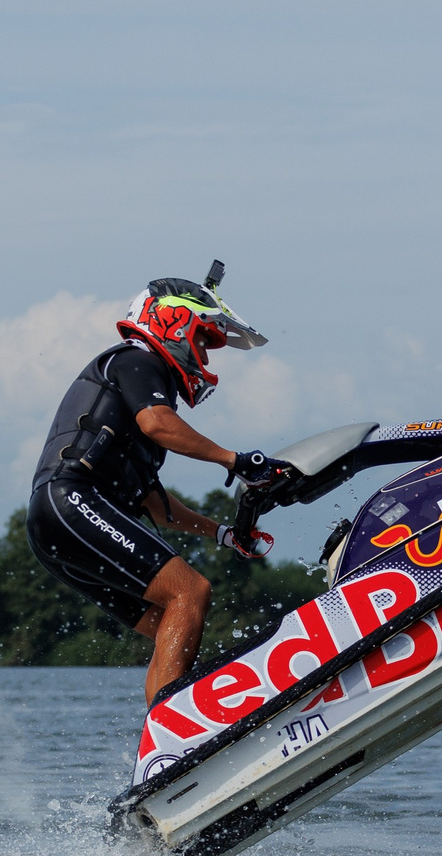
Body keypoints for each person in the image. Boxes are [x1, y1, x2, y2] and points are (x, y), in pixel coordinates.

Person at [26, 268, 296, 705]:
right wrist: (236, 460)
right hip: (72, 502)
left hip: (58, 522)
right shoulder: (137, 361)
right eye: (206, 342)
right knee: (190, 592)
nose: (206, 361)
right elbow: (157, 424)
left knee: (169, 621)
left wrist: (225, 534)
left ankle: (159, 752)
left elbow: (156, 505)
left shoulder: (140, 388)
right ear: (172, 323)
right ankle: (175, 731)